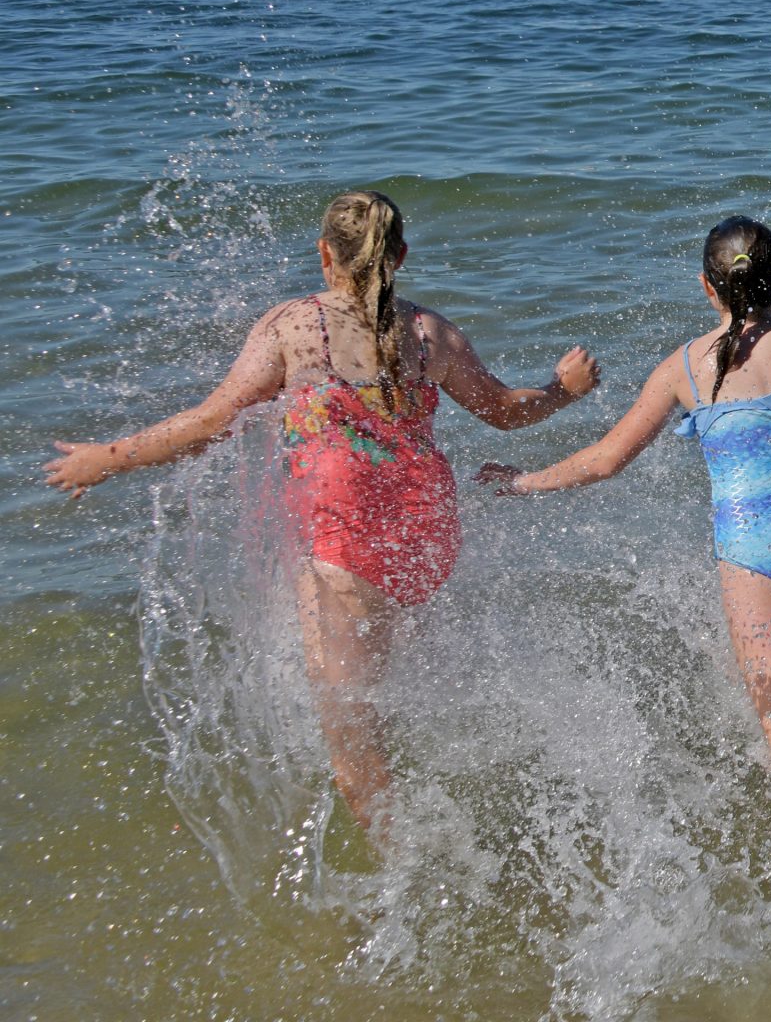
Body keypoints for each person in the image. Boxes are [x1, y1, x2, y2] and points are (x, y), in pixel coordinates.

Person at [42, 190, 602, 832]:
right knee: (387, 688)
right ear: (400, 257)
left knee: (352, 744)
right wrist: (564, 391)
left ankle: (405, 875)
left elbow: (211, 423)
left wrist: (107, 458)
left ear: (324, 256)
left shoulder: (293, 328)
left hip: (347, 539)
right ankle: (457, 813)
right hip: (427, 530)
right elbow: (504, 410)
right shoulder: (430, 333)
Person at [477, 217, 771, 788]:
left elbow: (606, 459)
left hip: (756, 552)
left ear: (706, 286)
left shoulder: (684, 368)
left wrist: (524, 481)